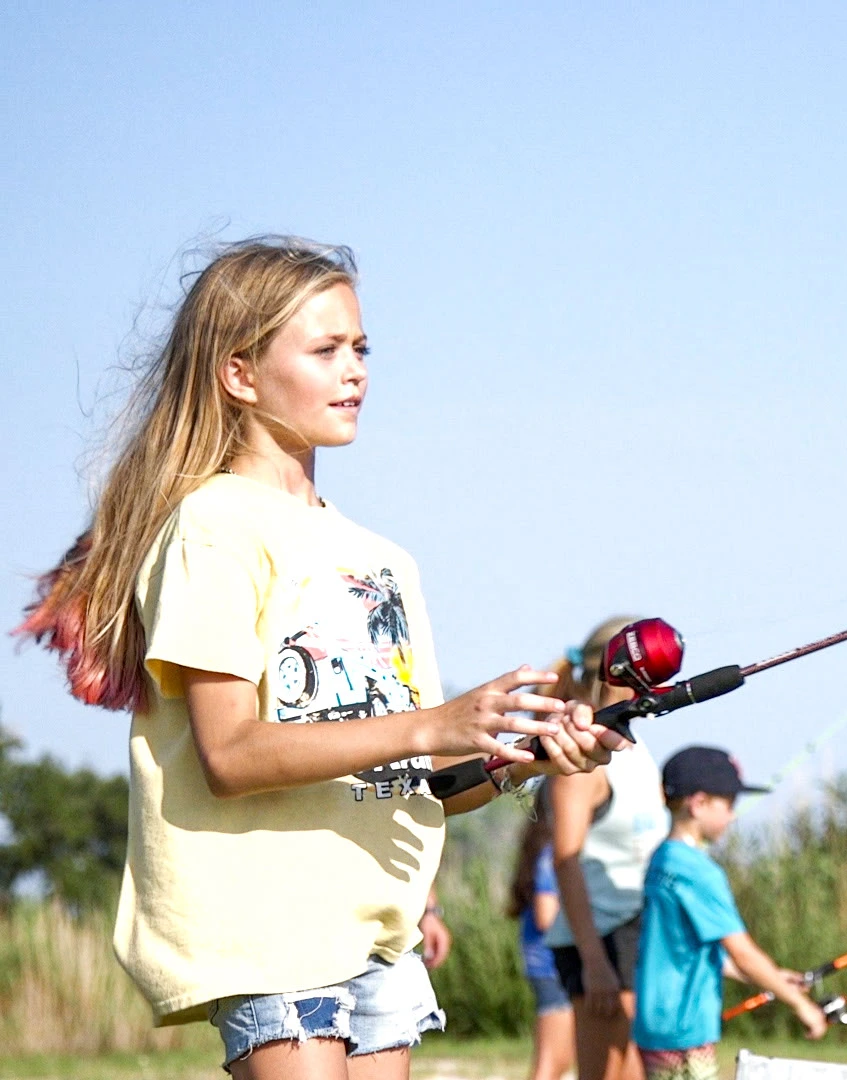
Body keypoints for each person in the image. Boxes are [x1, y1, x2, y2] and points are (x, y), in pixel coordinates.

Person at [14, 236, 627, 1079]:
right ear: (239, 373)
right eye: (327, 349)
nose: (356, 372)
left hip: (378, 931)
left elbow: (426, 781)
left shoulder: (384, 560)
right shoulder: (214, 526)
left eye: (363, 348)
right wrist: (433, 721)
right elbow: (229, 754)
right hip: (271, 930)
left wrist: (529, 760)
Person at [634, 747, 826, 1080]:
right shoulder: (700, 872)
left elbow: (699, 952)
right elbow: (743, 952)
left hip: (655, 1021)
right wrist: (801, 1006)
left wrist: (775, 978)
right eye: (728, 805)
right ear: (698, 803)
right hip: (686, 1029)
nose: (733, 816)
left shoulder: (662, 860)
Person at [544, 618, 670, 1080]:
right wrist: (596, 963)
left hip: (639, 931)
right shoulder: (585, 759)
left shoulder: (638, 748)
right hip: (599, 941)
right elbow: (566, 861)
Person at [507, 787, 574, 1080]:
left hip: (548, 966)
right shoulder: (551, 854)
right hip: (551, 968)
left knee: (559, 1061)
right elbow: (547, 916)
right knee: (549, 1064)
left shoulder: (543, 850)